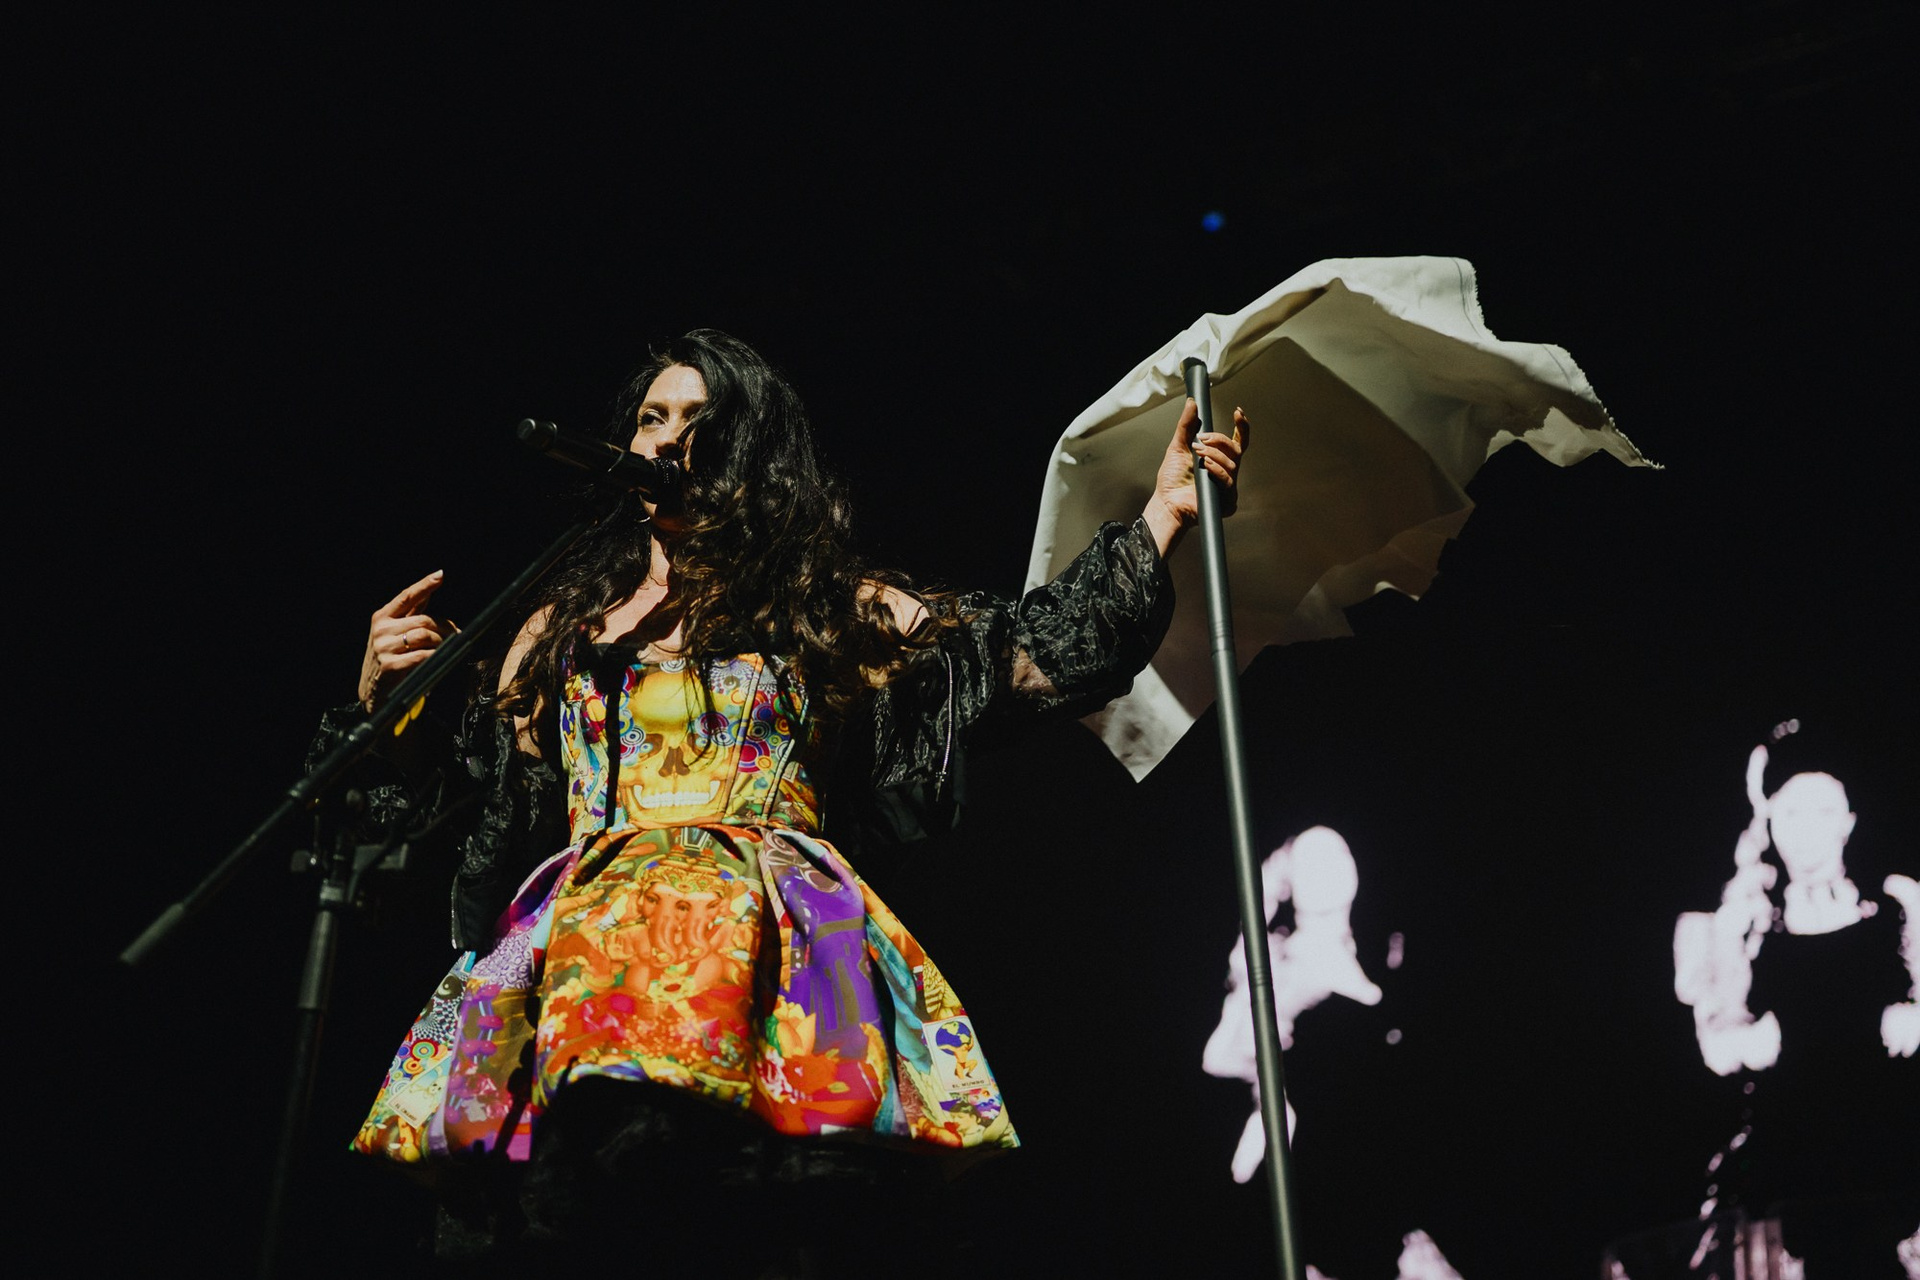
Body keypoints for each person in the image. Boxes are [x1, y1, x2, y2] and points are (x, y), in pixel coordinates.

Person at [309, 329, 1248, 1271]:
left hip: (772, 963)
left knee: (768, 1224)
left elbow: (1029, 659)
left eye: (699, 421)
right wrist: (386, 708)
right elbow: (464, 814)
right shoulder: (562, 627)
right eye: (652, 418)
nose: (668, 439)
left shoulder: (828, 607)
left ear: (752, 453)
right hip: (586, 970)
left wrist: (1162, 514)